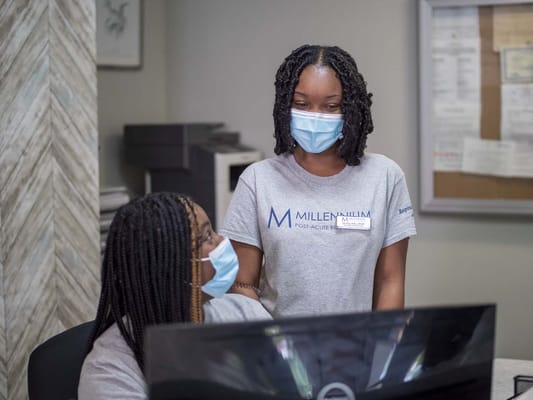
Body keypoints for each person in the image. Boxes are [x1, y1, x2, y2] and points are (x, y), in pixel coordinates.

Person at [220, 44, 417, 318]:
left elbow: (390, 282)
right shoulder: (258, 180)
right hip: (277, 351)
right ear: (284, 105)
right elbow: (242, 283)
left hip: (356, 351)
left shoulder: (384, 177)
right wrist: (274, 346)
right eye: (301, 104)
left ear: (350, 109)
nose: (314, 116)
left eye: (331, 106)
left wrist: (382, 349)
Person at [78, 192, 271, 400]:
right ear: (169, 267)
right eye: (207, 237)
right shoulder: (111, 370)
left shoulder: (245, 313)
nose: (222, 241)